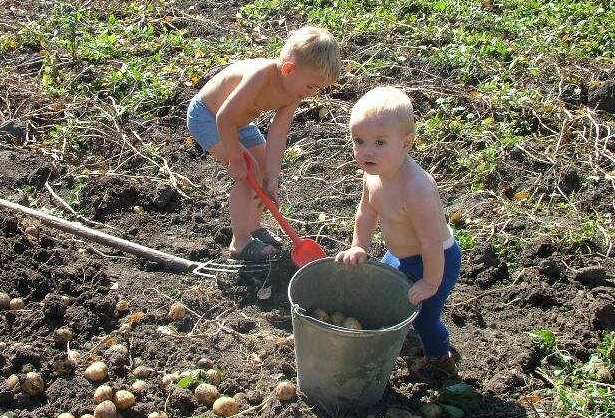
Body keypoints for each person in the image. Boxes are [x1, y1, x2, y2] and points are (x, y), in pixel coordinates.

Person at [335, 86, 462, 380]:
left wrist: (430, 282)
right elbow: (366, 213)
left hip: (435, 260)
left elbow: (431, 242)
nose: (367, 151)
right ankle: (399, 335)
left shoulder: (416, 188)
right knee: (386, 295)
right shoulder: (373, 175)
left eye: (380, 142)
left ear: (406, 143)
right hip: (400, 254)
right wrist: (359, 246)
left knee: (426, 317)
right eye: (359, 141)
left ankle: (440, 359)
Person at [187, 26, 341, 261]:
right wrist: (236, 160)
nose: (311, 94)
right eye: (310, 86)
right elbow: (224, 117)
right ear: (289, 69)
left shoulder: (294, 92)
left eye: (317, 89)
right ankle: (239, 242)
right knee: (248, 172)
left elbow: (278, 135)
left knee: (261, 167)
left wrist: (272, 177)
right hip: (208, 116)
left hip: (240, 122)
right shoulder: (261, 74)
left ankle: (253, 226)